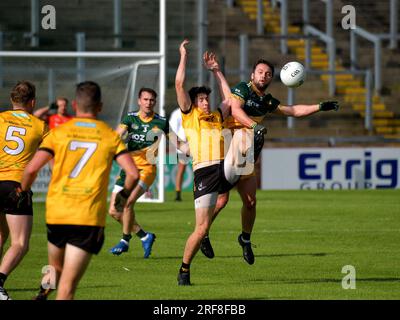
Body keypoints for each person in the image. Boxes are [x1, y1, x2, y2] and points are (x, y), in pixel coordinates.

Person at [200, 58, 339, 265]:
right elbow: (236, 110)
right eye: (260, 72)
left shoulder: (267, 101)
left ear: (271, 78)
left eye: (267, 74)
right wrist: (253, 126)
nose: (263, 76)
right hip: (228, 146)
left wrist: (319, 106)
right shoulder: (242, 89)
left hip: (245, 151)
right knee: (221, 201)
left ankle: (245, 239)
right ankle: (203, 233)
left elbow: (292, 111)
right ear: (252, 75)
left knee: (251, 202)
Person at [22, 81, 139, 300]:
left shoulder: (59, 132)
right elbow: (133, 174)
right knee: (67, 288)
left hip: (57, 212)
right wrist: (121, 199)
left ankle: (41, 293)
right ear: (100, 106)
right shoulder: (109, 136)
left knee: (54, 266)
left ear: (75, 105)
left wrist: (23, 192)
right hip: (87, 217)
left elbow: (30, 170)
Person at [175, 40, 244, 286]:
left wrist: (216, 70)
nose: (205, 102)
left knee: (224, 199)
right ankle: (184, 269)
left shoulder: (216, 115)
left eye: (206, 98)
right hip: (204, 172)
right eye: (201, 99)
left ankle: (205, 235)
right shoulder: (189, 115)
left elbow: (231, 99)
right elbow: (179, 84)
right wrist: (183, 55)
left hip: (223, 168)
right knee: (201, 228)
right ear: (193, 103)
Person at [0, 80, 49, 300]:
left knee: (1, 236)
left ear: (12, 100)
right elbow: (52, 157)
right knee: (20, 243)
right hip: (16, 185)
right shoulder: (39, 126)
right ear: (32, 102)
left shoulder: (0, 119)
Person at [108, 88, 169, 258]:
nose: (148, 103)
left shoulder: (161, 122)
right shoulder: (130, 118)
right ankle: (145, 236)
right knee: (114, 211)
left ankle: (125, 241)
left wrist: (192, 150)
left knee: (127, 203)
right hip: (129, 168)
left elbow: (177, 142)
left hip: (147, 170)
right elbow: (117, 134)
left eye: (152, 100)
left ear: (155, 102)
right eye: (145, 99)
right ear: (139, 101)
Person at [168, 107, 190, 201]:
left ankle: (200, 192)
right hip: (183, 145)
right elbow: (172, 129)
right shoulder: (177, 113)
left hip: (195, 143)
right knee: (181, 169)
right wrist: (177, 144)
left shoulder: (195, 111)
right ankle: (178, 193)